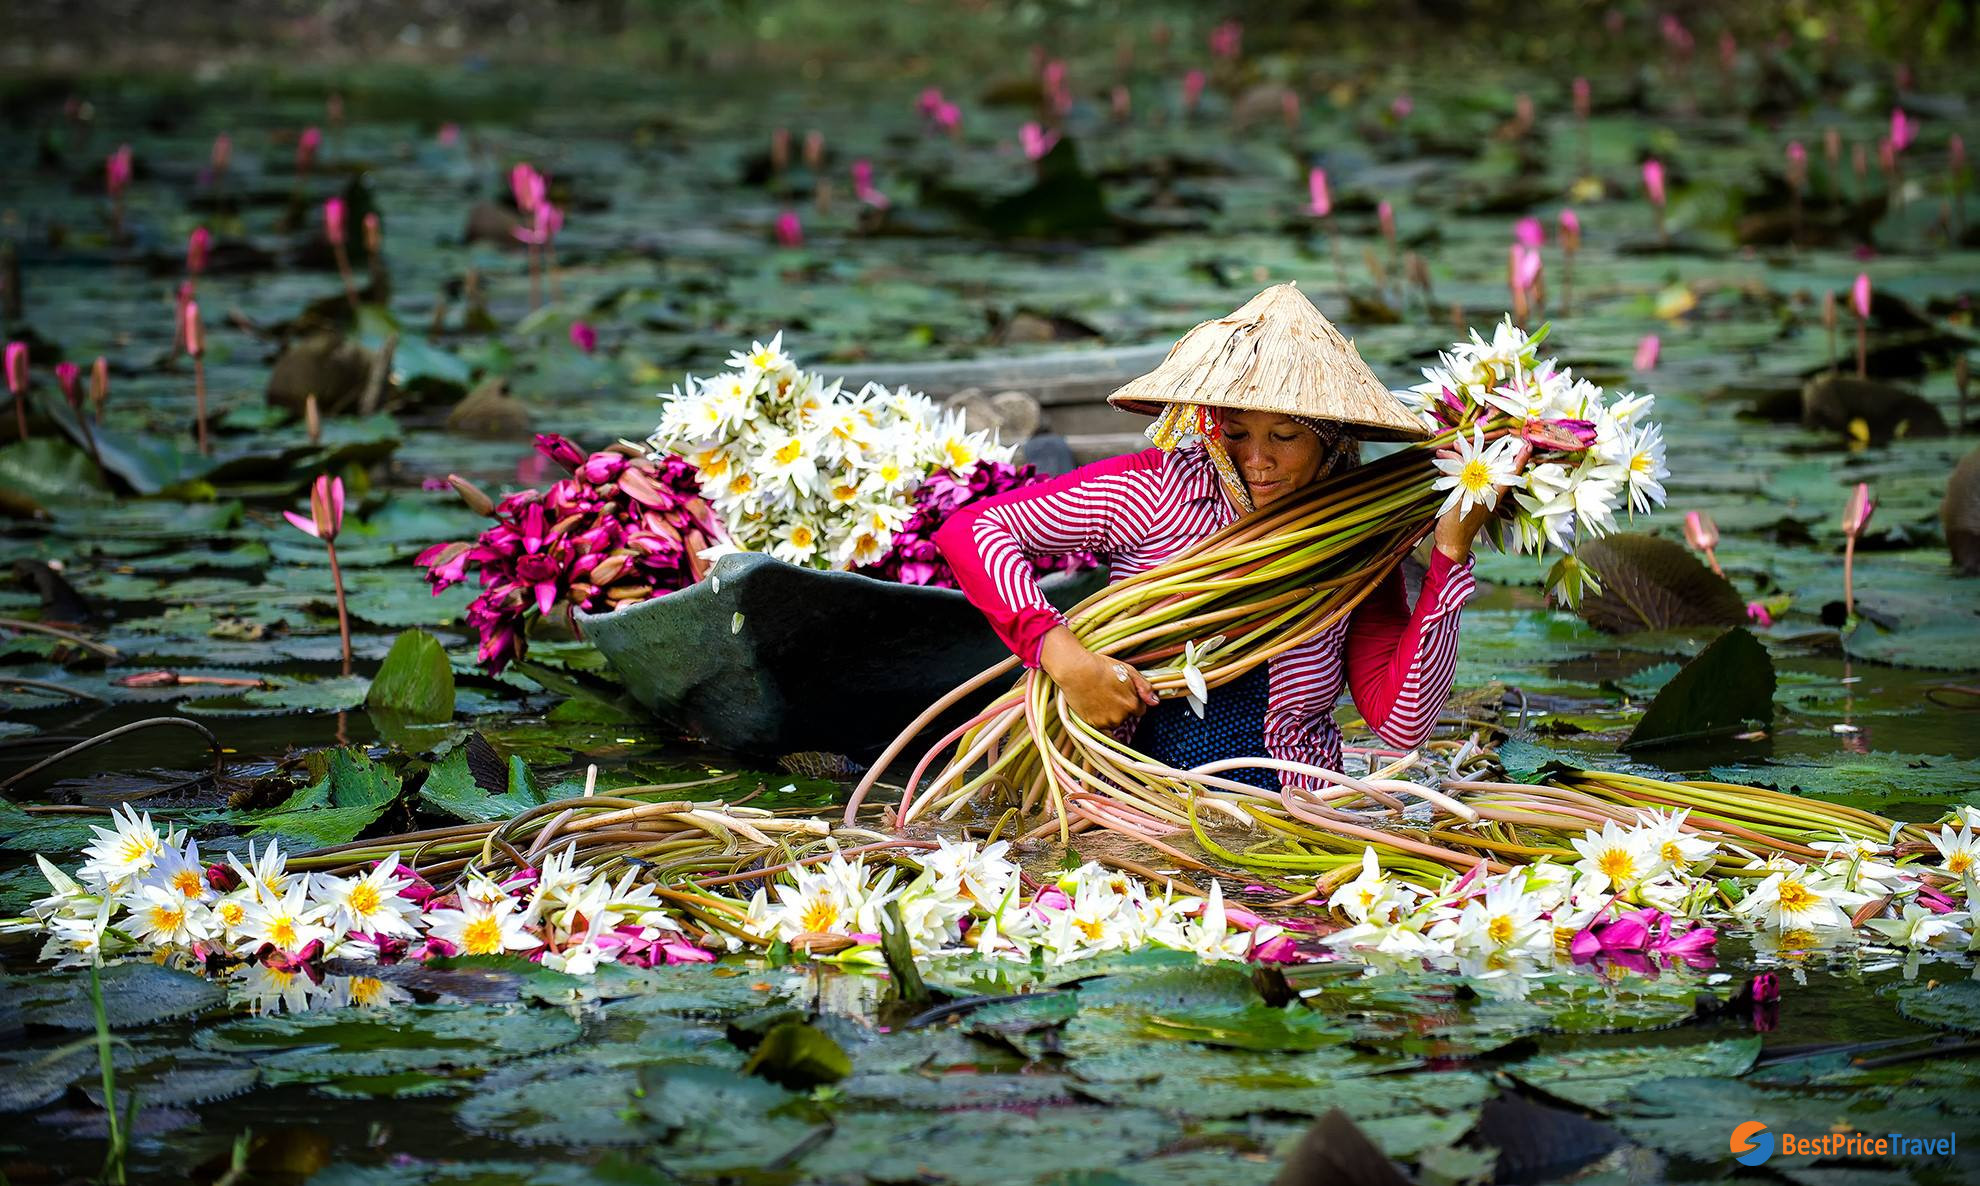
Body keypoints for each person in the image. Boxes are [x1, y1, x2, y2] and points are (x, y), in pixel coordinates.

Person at [933, 284, 1524, 792]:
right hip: (1128, 801)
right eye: (1236, 433)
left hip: (1289, 815)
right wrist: (1069, 662)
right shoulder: (1152, 492)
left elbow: (1402, 723)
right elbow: (974, 531)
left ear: (1332, 441)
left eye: (1287, 436)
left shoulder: (1356, 545)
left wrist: (1450, 551)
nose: (1257, 461)